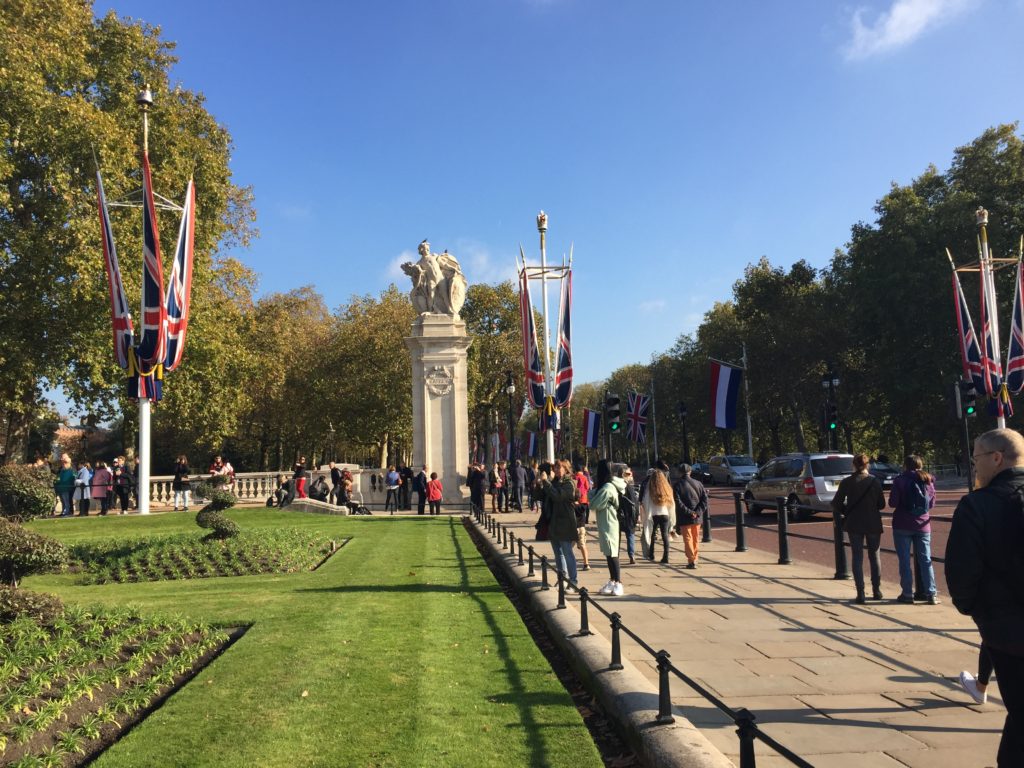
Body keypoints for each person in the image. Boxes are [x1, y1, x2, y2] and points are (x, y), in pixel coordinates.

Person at [946, 428, 1024, 764]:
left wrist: (979, 612)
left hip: (1007, 632)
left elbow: (961, 573)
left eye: (976, 457)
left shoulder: (977, 505)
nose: (975, 466)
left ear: (996, 458)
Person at [832, 453, 885, 603]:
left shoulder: (847, 482)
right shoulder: (874, 481)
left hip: (854, 522)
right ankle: (877, 590)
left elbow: (836, 503)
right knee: (875, 556)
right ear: (868, 465)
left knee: (857, 557)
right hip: (873, 522)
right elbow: (881, 504)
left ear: (853, 465)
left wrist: (846, 511)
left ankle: (860, 592)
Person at [889, 454, 938, 604]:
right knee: (926, 559)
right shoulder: (928, 480)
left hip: (902, 524)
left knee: (904, 560)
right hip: (923, 525)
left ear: (905, 465)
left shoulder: (900, 480)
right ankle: (931, 593)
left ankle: (907, 593)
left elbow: (893, 503)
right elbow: (931, 504)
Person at [537, 459, 579, 588]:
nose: (556, 470)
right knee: (558, 553)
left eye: (558, 468)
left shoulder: (569, 483)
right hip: (553, 522)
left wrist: (546, 482)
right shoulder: (553, 482)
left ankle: (573, 581)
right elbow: (540, 497)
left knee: (567, 552)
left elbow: (558, 497)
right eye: (554, 468)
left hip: (565, 522)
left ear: (566, 469)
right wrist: (539, 484)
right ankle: (562, 577)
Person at [590, 459, 627, 596]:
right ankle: (612, 580)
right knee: (608, 553)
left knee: (613, 553)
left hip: (610, 522)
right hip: (605, 521)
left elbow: (593, 504)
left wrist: (593, 498)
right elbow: (593, 498)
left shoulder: (607, 488)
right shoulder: (605, 486)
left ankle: (618, 582)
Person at [672, 463, 709, 569]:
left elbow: (678, 503)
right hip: (697, 517)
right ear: (690, 472)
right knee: (695, 538)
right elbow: (704, 500)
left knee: (687, 539)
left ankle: (691, 560)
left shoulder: (677, 485)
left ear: (680, 472)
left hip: (685, 516)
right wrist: (697, 512)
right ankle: (695, 558)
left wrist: (689, 512)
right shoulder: (698, 483)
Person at [642, 468, 674, 563]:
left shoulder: (650, 488)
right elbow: (672, 503)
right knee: (665, 535)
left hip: (654, 514)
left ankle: (651, 554)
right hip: (665, 514)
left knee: (652, 534)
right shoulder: (667, 488)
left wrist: (647, 513)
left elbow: (645, 501)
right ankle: (666, 556)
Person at [619, 466, 639, 564]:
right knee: (630, 535)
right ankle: (631, 555)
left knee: (617, 535)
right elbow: (635, 504)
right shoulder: (629, 487)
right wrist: (636, 517)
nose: (631, 475)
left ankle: (616, 554)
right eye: (628, 474)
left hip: (620, 514)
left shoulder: (618, 486)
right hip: (628, 515)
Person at [574, 464, 592, 570]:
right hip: (584, 501)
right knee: (582, 543)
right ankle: (586, 563)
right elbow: (588, 487)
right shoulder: (585, 477)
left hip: (577, 501)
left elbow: (577, 489)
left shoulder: (575, 478)